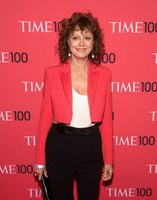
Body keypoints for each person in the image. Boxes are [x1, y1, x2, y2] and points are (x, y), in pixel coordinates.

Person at [34, 12, 113, 200]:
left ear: (94, 42)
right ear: (67, 42)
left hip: (91, 148)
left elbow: (107, 121)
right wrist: (39, 161)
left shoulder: (104, 74)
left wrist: (109, 160)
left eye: (87, 38)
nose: (81, 43)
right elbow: (45, 118)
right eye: (75, 38)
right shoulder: (52, 73)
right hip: (60, 147)